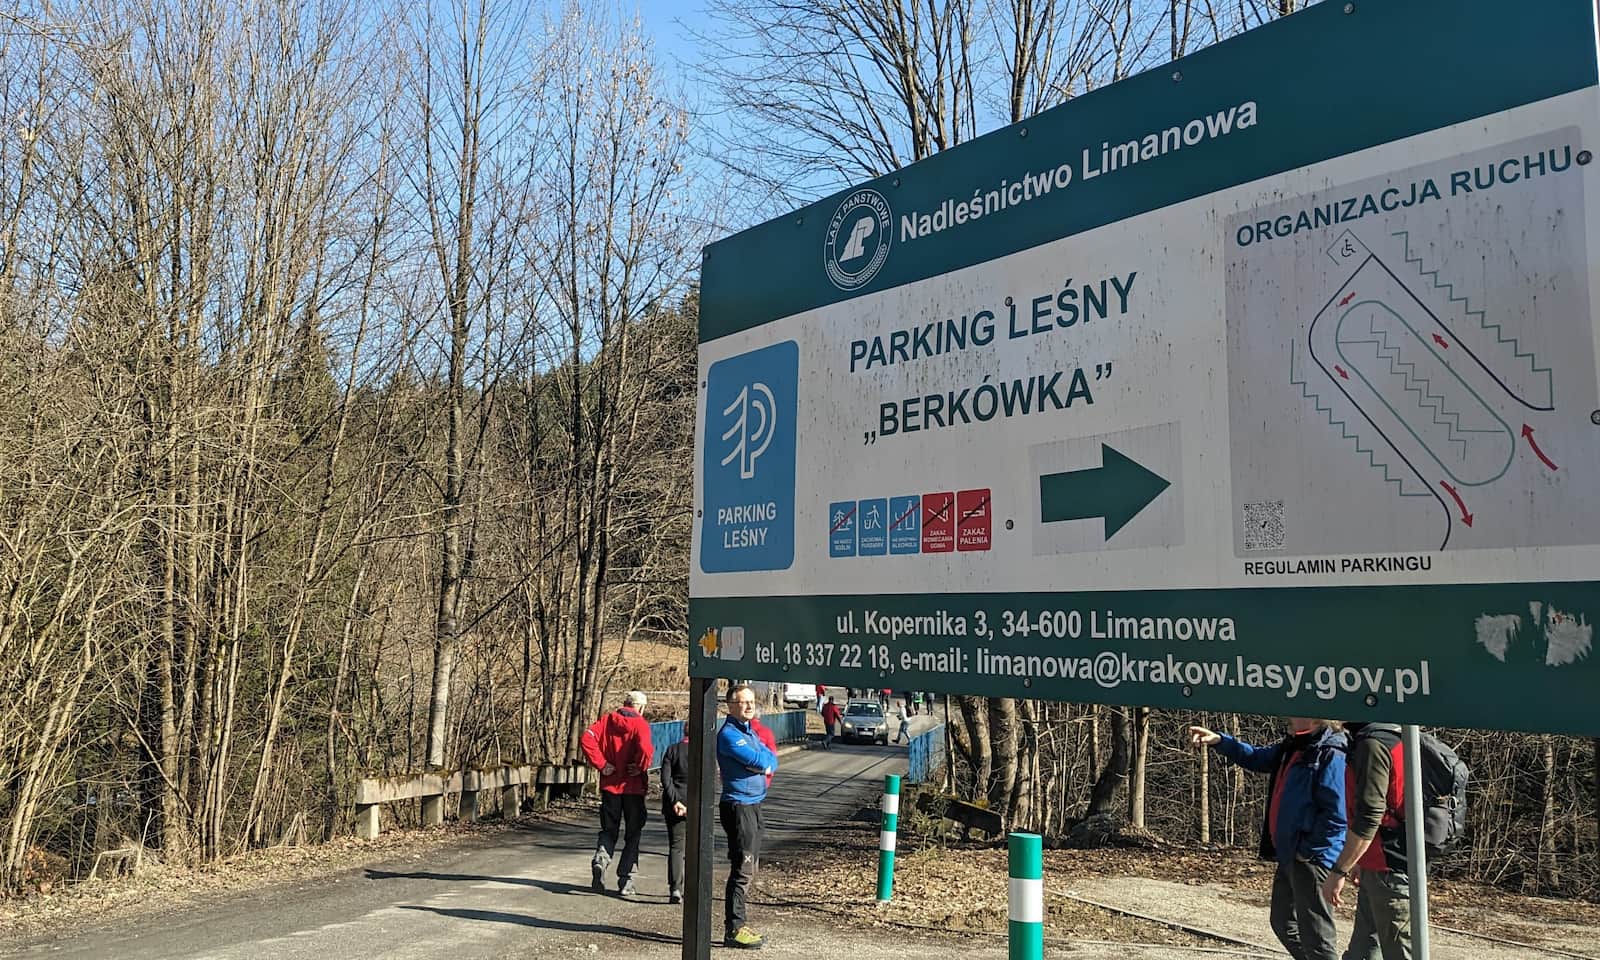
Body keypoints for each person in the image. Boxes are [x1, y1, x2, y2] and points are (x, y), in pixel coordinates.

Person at [1191, 719, 1348, 960]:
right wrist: (1221, 741)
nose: (1289, 717)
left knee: (1318, 938)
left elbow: (1338, 815)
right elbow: (1255, 757)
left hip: (1311, 859)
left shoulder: (1330, 753)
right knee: (1283, 922)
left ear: (1316, 719)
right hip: (1289, 855)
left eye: (1296, 713)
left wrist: (1311, 853)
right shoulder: (1292, 746)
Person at [1321, 722, 1412, 960]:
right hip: (1378, 866)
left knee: (1397, 954)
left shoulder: (1373, 744)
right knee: (1362, 953)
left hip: (1392, 868)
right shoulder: (1381, 736)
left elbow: (1370, 816)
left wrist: (1339, 871)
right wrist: (1359, 859)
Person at [717, 683, 778, 950]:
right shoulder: (730, 734)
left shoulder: (751, 731)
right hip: (738, 806)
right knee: (742, 868)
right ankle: (734, 928)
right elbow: (757, 761)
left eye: (752, 701)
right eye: (743, 702)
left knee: (751, 868)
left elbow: (770, 759)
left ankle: (740, 923)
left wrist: (763, 762)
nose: (750, 706)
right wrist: (762, 763)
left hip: (755, 806)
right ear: (731, 706)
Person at [580, 691, 654, 898]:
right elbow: (647, 750)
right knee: (633, 834)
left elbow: (587, 738)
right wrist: (639, 767)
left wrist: (602, 765)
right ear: (640, 707)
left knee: (609, 828)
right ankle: (626, 880)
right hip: (633, 788)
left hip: (610, 786)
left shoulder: (607, 721)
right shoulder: (640, 724)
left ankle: (600, 861)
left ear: (625, 704)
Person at [660, 732, 690, 905]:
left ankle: (676, 888)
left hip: (674, 805)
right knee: (696, 849)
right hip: (696, 803)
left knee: (676, 847)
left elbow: (666, 778)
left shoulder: (672, 750)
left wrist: (675, 800)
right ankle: (695, 887)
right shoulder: (703, 752)